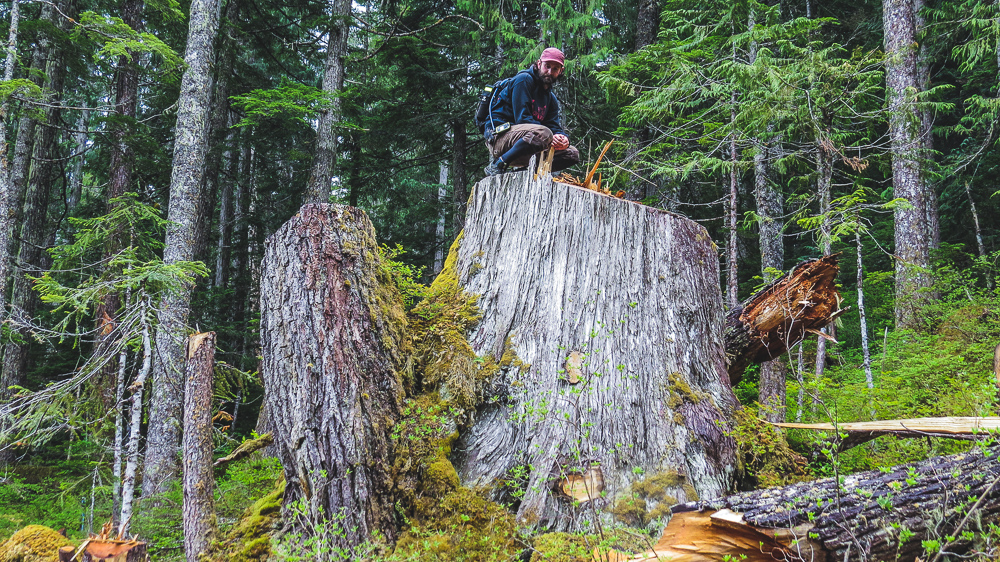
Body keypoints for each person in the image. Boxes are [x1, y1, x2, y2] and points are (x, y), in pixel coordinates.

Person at [483, 48, 581, 176]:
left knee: (572, 153)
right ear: (539, 64)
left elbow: (554, 127)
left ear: (560, 71)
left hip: (530, 144)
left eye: (555, 69)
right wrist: (550, 137)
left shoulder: (551, 99)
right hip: (501, 140)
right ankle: (499, 164)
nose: (549, 72)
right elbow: (523, 119)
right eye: (547, 66)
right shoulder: (523, 80)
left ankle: (527, 171)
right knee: (544, 133)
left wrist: (563, 139)